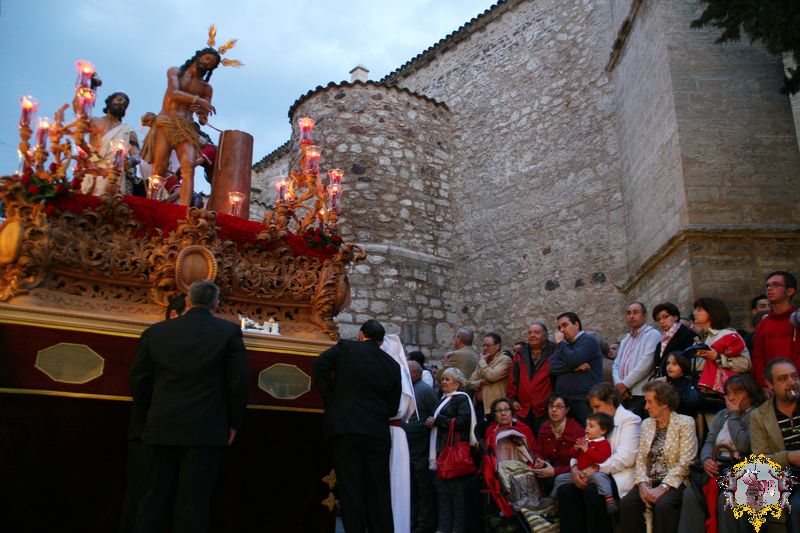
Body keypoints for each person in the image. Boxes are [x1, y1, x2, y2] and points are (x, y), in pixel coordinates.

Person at [129, 280, 251, 533]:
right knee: (193, 502)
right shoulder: (228, 333)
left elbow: (139, 380)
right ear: (216, 304)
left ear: (187, 301)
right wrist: (233, 423)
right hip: (206, 429)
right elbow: (238, 382)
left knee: (153, 498)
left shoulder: (156, 332)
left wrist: (145, 418)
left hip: (160, 425)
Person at [314, 319, 401, 533]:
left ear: (361, 334)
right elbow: (393, 406)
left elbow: (320, 364)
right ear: (381, 341)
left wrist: (331, 399)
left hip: (347, 427)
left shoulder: (346, 348)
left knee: (351, 487)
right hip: (377, 432)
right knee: (377, 489)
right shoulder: (392, 365)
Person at [678, 374, 762, 533]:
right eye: (729, 393)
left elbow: (744, 445)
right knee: (690, 494)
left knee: (726, 497)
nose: (731, 397)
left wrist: (734, 416)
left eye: (738, 393)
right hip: (717, 467)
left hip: (741, 470)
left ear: (750, 394)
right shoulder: (721, 415)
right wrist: (707, 460)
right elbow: (710, 442)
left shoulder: (755, 415)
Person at [556, 383, 641, 533]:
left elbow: (625, 458)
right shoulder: (595, 420)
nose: (594, 412)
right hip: (588, 472)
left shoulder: (630, 420)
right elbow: (581, 445)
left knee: (592, 491)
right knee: (566, 490)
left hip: (616, 475)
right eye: (592, 408)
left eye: (597, 407)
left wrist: (595, 468)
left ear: (610, 403)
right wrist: (575, 468)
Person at [618, 381, 698, 533]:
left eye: (650, 402)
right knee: (627, 504)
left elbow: (686, 461)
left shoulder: (685, 422)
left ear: (664, 403)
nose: (646, 407)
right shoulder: (647, 424)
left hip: (676, 481)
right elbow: (641, 458)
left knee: (663, 504)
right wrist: (642, 484)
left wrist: (663, 487)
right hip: (650, 481)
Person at [151, 47, 220, 206]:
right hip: (167, 122)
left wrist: (201, 113)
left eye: (212, 63)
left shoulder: (206, 88)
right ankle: (152, 203)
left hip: (186, 127)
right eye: (207, 58)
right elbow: (174, 93)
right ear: (199, 56)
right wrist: (198, 100)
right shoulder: (175, 72)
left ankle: (184, 210)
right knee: (159, 168)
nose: (208, 63)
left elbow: (202, 120)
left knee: (188, 166)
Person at [749, 358, 800, 530]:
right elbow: (760, 461)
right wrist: (788, 457)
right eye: (783, 379)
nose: (792, 382)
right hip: (784, 475)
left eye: (794, 376)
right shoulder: (759, 416)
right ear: (770, 384)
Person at [425, 367, 478, 533]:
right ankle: (443, 528)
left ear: (457, 383)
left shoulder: (461, 398)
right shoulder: (444, 399)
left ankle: (457, 529)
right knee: (442, 493)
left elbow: (462, 421)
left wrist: (438, 420)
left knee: (456, 495)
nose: (443, 382)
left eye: (447, 379)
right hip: (442, 451)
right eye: (442, 379)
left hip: (454, 452)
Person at [380, 334, 417, 533]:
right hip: (393, 432)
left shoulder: (395, 373)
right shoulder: (399, 372)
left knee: (394, 483)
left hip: (391, 432)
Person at [550, 413, 615, 512]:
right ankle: (553, 500)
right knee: (560, 478)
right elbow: (572, 455)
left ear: (603, 430)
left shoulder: (604, 443)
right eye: (587, 425)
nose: (587, 428)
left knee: (601, 479)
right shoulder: (584, 440)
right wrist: (575, 448)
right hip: (579, 473)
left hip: (593, 473)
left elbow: (601, 458)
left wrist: (586, 450)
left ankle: (609, 499)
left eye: (591, 426)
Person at [81, 91, 140, 196]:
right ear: (109, 101)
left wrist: (131, 161)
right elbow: (79, 116)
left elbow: (137, 154)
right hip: (93, 168)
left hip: (115, 173)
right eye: (119, 99)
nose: (122, 103)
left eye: (125, 103)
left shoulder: (128, 131)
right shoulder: (93, 122)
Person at [403, 361, 438, 533]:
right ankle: (414, 519)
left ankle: (425, 523)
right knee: (413, 486)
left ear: (415, 373)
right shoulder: (410, 388)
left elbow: (437, 412)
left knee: (422, 485)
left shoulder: (424, 390)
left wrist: (431, 421)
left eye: (406, 370)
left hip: (421, 446)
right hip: (409, 445)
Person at [550, 312, 603, 426]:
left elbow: (574, 359)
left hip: (583, 400)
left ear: (577, 325)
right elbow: (552, 367)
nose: (562, 330)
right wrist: (573, 367)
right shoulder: (564, 346)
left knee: (586, 435)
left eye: (565, 325)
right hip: (565, 401)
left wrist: (560, 344)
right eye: (559, 327)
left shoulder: (588, 340)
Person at [752, 271, 799, 394]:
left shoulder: (797, 320)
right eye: (767, 286)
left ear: (790, 291)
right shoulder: (763, 324)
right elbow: (758, 357)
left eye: (775, 285)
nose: (769, 289)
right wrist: (764, 384)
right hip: (774, 388)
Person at [692, 297, 751, 395]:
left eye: (699, 310)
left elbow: (746, 364)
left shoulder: (727, 335)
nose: (694, 313)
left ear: (712, 312)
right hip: (703, 393)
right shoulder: (698, 339)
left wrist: (717, 357)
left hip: (727, 393)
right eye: (695, 310)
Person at [613, 302, 661, 419]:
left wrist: (625, 384)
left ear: (644, 316)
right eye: (628, 313)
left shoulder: (652, 335)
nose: (631, 316)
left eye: (635, 312)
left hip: (641, 393)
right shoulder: (625, 340)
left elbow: (646, 363)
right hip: (625, 394)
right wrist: (619, 384)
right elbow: (616, 364)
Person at [507, 322, 556, 433]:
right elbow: (513, 380)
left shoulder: (555, 352)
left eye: (536, 332)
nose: (532, 335)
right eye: (529, 333)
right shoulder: (520, 354)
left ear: (545, 335)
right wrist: (512, 400)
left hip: (545, 409)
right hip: (524, 409)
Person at [532, 394, 584, 493]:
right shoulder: (545, 426)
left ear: (567, 410)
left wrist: (555, 472)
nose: (554, 410)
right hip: (549, 468)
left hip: (570, 473)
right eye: (551, 406)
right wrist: (539, 460)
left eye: (559, 406)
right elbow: (538, 450)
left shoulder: (576, 430)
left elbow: (581, 463)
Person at [467, 332, 512, 424]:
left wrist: (483, 363)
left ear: (497, 346)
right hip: (479, 406)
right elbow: (470, 382)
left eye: (488, 345)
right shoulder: (483, 361)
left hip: (496, 408)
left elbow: (492, 376)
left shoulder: (505, 360)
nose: (485, 348)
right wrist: (481, 382)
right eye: (483, 345)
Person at [651, 302, 696, 378]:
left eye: (665, 317)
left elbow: (689, 363)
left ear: (675, 317)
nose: (661, 321)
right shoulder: (660, 344)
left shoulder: (687, 335)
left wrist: (667, 379)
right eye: (658, 319)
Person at [659, 351, 702, 418]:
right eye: (668, 363)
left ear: (683, 365)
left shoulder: (688, 384)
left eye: (674, 364)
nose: (669, 367)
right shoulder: (667, 384)